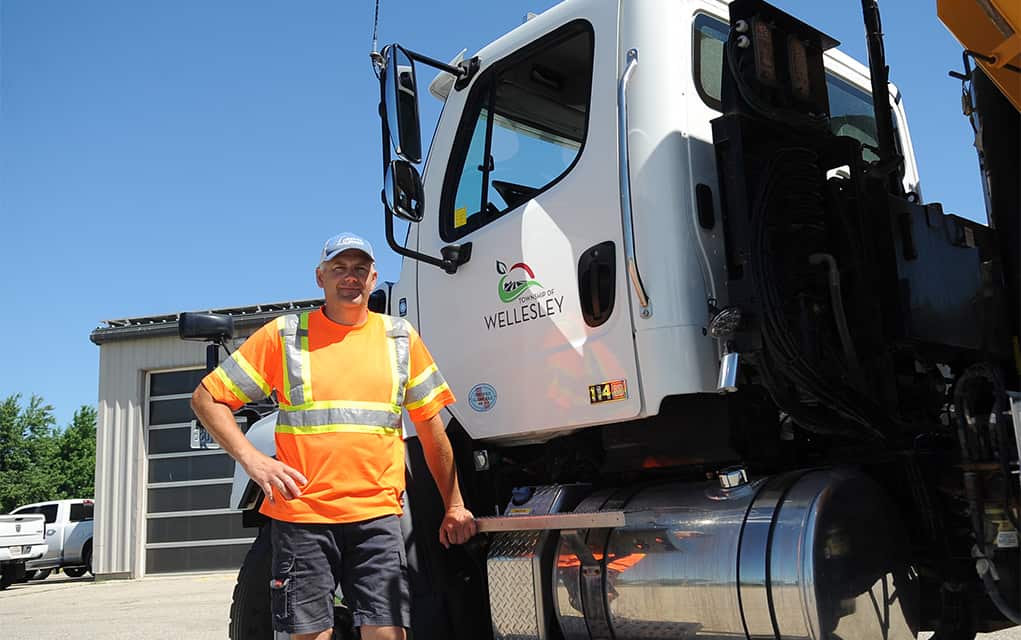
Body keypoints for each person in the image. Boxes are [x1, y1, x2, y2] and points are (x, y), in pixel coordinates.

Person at [191, 231, 477, 640]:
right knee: (311, 635)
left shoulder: (399, 339)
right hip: (303, 517)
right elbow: (207, 398)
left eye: (360, 269)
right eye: (339, 268)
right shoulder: (284, 336)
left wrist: (455, 504)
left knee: (388, 633)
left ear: (374, 278)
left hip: (376, 516)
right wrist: (254, 461)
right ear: (319, 277)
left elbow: (433, 432)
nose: (350, 277)